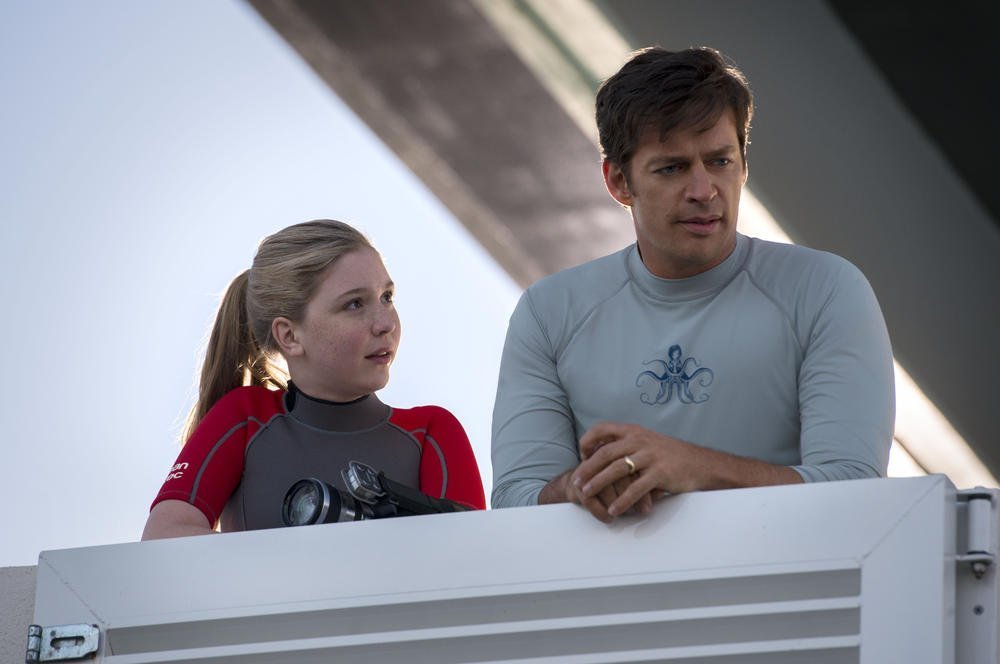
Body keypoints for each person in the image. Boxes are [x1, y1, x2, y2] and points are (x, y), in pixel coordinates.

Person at [490, 46, 895, 523]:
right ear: (619, 182)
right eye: (672, 168)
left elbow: (854, 486)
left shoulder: (824, 288)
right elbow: (515, 500)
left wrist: (694, 467)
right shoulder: (548, 312)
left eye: (720, 161)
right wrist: (580, 485)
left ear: (743, 164)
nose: (704, 191)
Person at [142, 219, 486, 539]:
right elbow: (163, 536)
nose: (386, 323)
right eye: (354, 304)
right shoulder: (246, 418)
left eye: (387, 297)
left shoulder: (432, 433)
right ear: (290, 336)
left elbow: (471, 560)